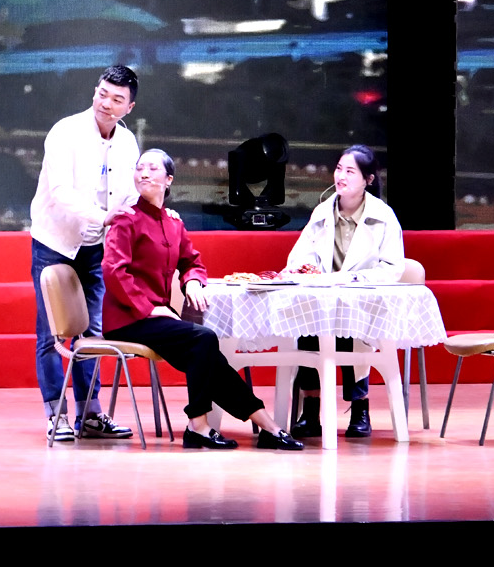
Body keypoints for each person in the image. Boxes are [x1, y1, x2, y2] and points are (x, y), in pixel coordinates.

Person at [101, 149, 304, 450]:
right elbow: (113, 271)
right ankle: (200, 424)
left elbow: (191, 261)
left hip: (156, 318)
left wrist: (193, 281)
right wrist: (150, 308)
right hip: (128, 319)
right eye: (139, 168)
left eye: (152, 168)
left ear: (169, 179)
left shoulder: (173, 222)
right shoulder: (126, 220)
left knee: (208, 357)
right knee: (204, 340)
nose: (143, 173)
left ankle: (266, 426)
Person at [28, 64, 141, 442]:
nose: (106, 103)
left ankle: (90, 415)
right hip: (55, 242)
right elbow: (60, 192)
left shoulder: (127, 142)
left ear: (129, 107)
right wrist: (102, 217)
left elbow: (131, 194)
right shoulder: (66, 131)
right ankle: (55, 415)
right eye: (102, 93)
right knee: (52, 334)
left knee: (92, 333)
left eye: (117, 99)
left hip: (95, 248)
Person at [282, 144, 404, 440]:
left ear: (368, 180)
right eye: (339, 169)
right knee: (307, 326)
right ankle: (311, 410)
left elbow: (392, 268)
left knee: (352, 334)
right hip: (321, 299)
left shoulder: (383, 216)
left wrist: (348, 279)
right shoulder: (322, 212)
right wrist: (307, 271)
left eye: (350, 171)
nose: (341, 176)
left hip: (362, 300)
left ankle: (360, 408)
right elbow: (301, 256)